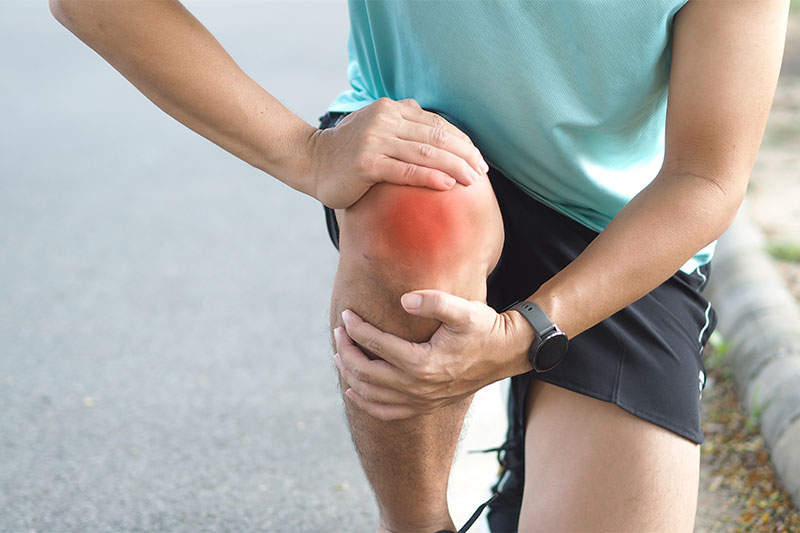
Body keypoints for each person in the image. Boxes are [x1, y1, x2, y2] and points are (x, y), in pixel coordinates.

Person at [50, 1, 789, 531]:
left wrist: (525, 330)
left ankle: (534, 449)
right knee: (420, 207)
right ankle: (415, 524)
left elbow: (705, 178)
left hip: (615, 233)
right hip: (426, 162)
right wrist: (306, 153)